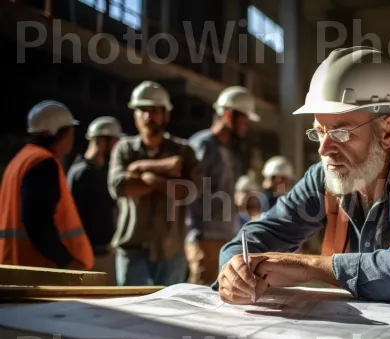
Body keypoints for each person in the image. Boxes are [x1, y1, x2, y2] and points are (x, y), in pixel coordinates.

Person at [213, 46, 390, 304]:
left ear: (387, 131)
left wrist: (311, 267)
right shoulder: (324, 178)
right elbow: (256, 237)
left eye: (340, 132)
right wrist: (234, 269)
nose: (325, 149)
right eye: (319, 132)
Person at [108, 81, 204, 286]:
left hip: (171, 250)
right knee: (131, 313)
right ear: (134, 114)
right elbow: (120, 187)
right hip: (132, 247)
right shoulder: (124, 149)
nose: (147, 117)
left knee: (168, 314)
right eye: (142, 110)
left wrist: (144, 174)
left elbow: (191, 192)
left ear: (166, 114)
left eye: (154, 111)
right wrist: (164, 169)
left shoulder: (184, 151)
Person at [0, 100, 93, 270]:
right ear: (60, 133)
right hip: (39, 269)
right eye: (71, 131)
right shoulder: (43, 163)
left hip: (15, 264)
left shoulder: (20, 160)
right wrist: (67, 261)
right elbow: (38, 222)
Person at [185, 86, 261, 285]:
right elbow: (189, 190)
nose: (246, 126)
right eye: (244, 119)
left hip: (226, 235)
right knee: (200, 296)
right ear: (228, 114)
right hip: (205, 238)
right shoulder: (203, 145)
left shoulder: (230, 151)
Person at [67, 116, 123, 285]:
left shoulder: (104, 172)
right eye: (114, 142)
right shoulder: (81, 173)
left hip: (104, 253)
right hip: (87, 256)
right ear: (101, 141)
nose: (117, 148)